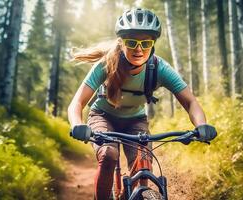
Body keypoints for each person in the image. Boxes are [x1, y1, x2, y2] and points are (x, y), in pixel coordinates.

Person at [68, 8, 217, 200]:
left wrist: (201, 125)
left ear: (153, 44)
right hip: (102, 117)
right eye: (132, 42)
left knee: (143, 164)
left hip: (135, 120)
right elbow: (77, 103)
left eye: (146, 43)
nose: (139, 49)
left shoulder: (160, 68)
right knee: (109, 155)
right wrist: (77, 125)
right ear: (121, 44)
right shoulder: (107, 64)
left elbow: (190, 102)